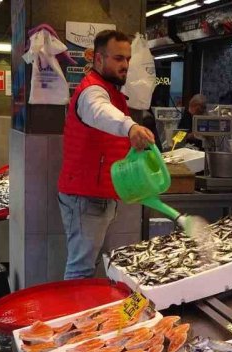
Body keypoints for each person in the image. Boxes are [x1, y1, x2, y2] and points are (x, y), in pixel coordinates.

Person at [57, 30, 155, 280]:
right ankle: (73, 319)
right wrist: (130, 126)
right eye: (118, 58)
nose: (125, 65)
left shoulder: (111, 90)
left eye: (128, 59)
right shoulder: (92, 91)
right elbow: (99, 111)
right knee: (80, 268)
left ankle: (85, 314)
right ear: (98, 59)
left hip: (98, 194)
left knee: (89, 266)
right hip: (85, 196)